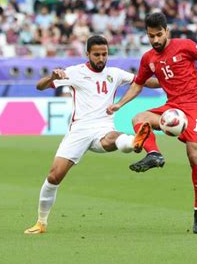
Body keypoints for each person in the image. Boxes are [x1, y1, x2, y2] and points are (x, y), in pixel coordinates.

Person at [107, 13, 197, 234]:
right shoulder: (148, 58)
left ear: (167, 31)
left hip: (196, 106)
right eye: (151, 36)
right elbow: (138, 84)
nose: (155, 40)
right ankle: (154, 154)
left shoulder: (185, 46)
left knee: (194, 154)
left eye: (159, 35)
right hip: (172, 106)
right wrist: (119, 104)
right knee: (138, 119)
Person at [24, 35, 159, 234]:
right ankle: (41, 223)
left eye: (104, 54)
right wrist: (53, 77)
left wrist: (169, 79)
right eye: (97, 54)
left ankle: (134, 141)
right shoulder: (74, 72)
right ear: (87, 54)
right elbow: (40, 86)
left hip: (103, 127)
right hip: (79, 130)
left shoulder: (115, 73)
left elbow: (147, 82)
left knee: (113, 137)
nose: (101, 58)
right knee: (54, 176)